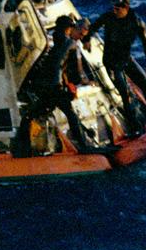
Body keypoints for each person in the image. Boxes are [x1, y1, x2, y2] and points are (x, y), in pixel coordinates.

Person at [20, 15, 95, 151]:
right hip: (55, 86)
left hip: (45, 85)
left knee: (29, 116)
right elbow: (74, 70)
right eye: (78, 33)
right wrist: (80, 81)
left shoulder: (56, 39)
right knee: (70, 114)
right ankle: (84, 146)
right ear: (69, 29)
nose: (80, 37)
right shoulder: (70, 43)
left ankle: (22, 148)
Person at [89, 0, 146, 134]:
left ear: (126, 8)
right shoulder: (108, 17)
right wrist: (86, 39)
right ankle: (134, 128)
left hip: (126, 59)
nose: (114, 11)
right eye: (113, 8)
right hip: (111, 62)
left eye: (117, 9)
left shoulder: (136, 22)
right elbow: (94, 27)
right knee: (125, 94)